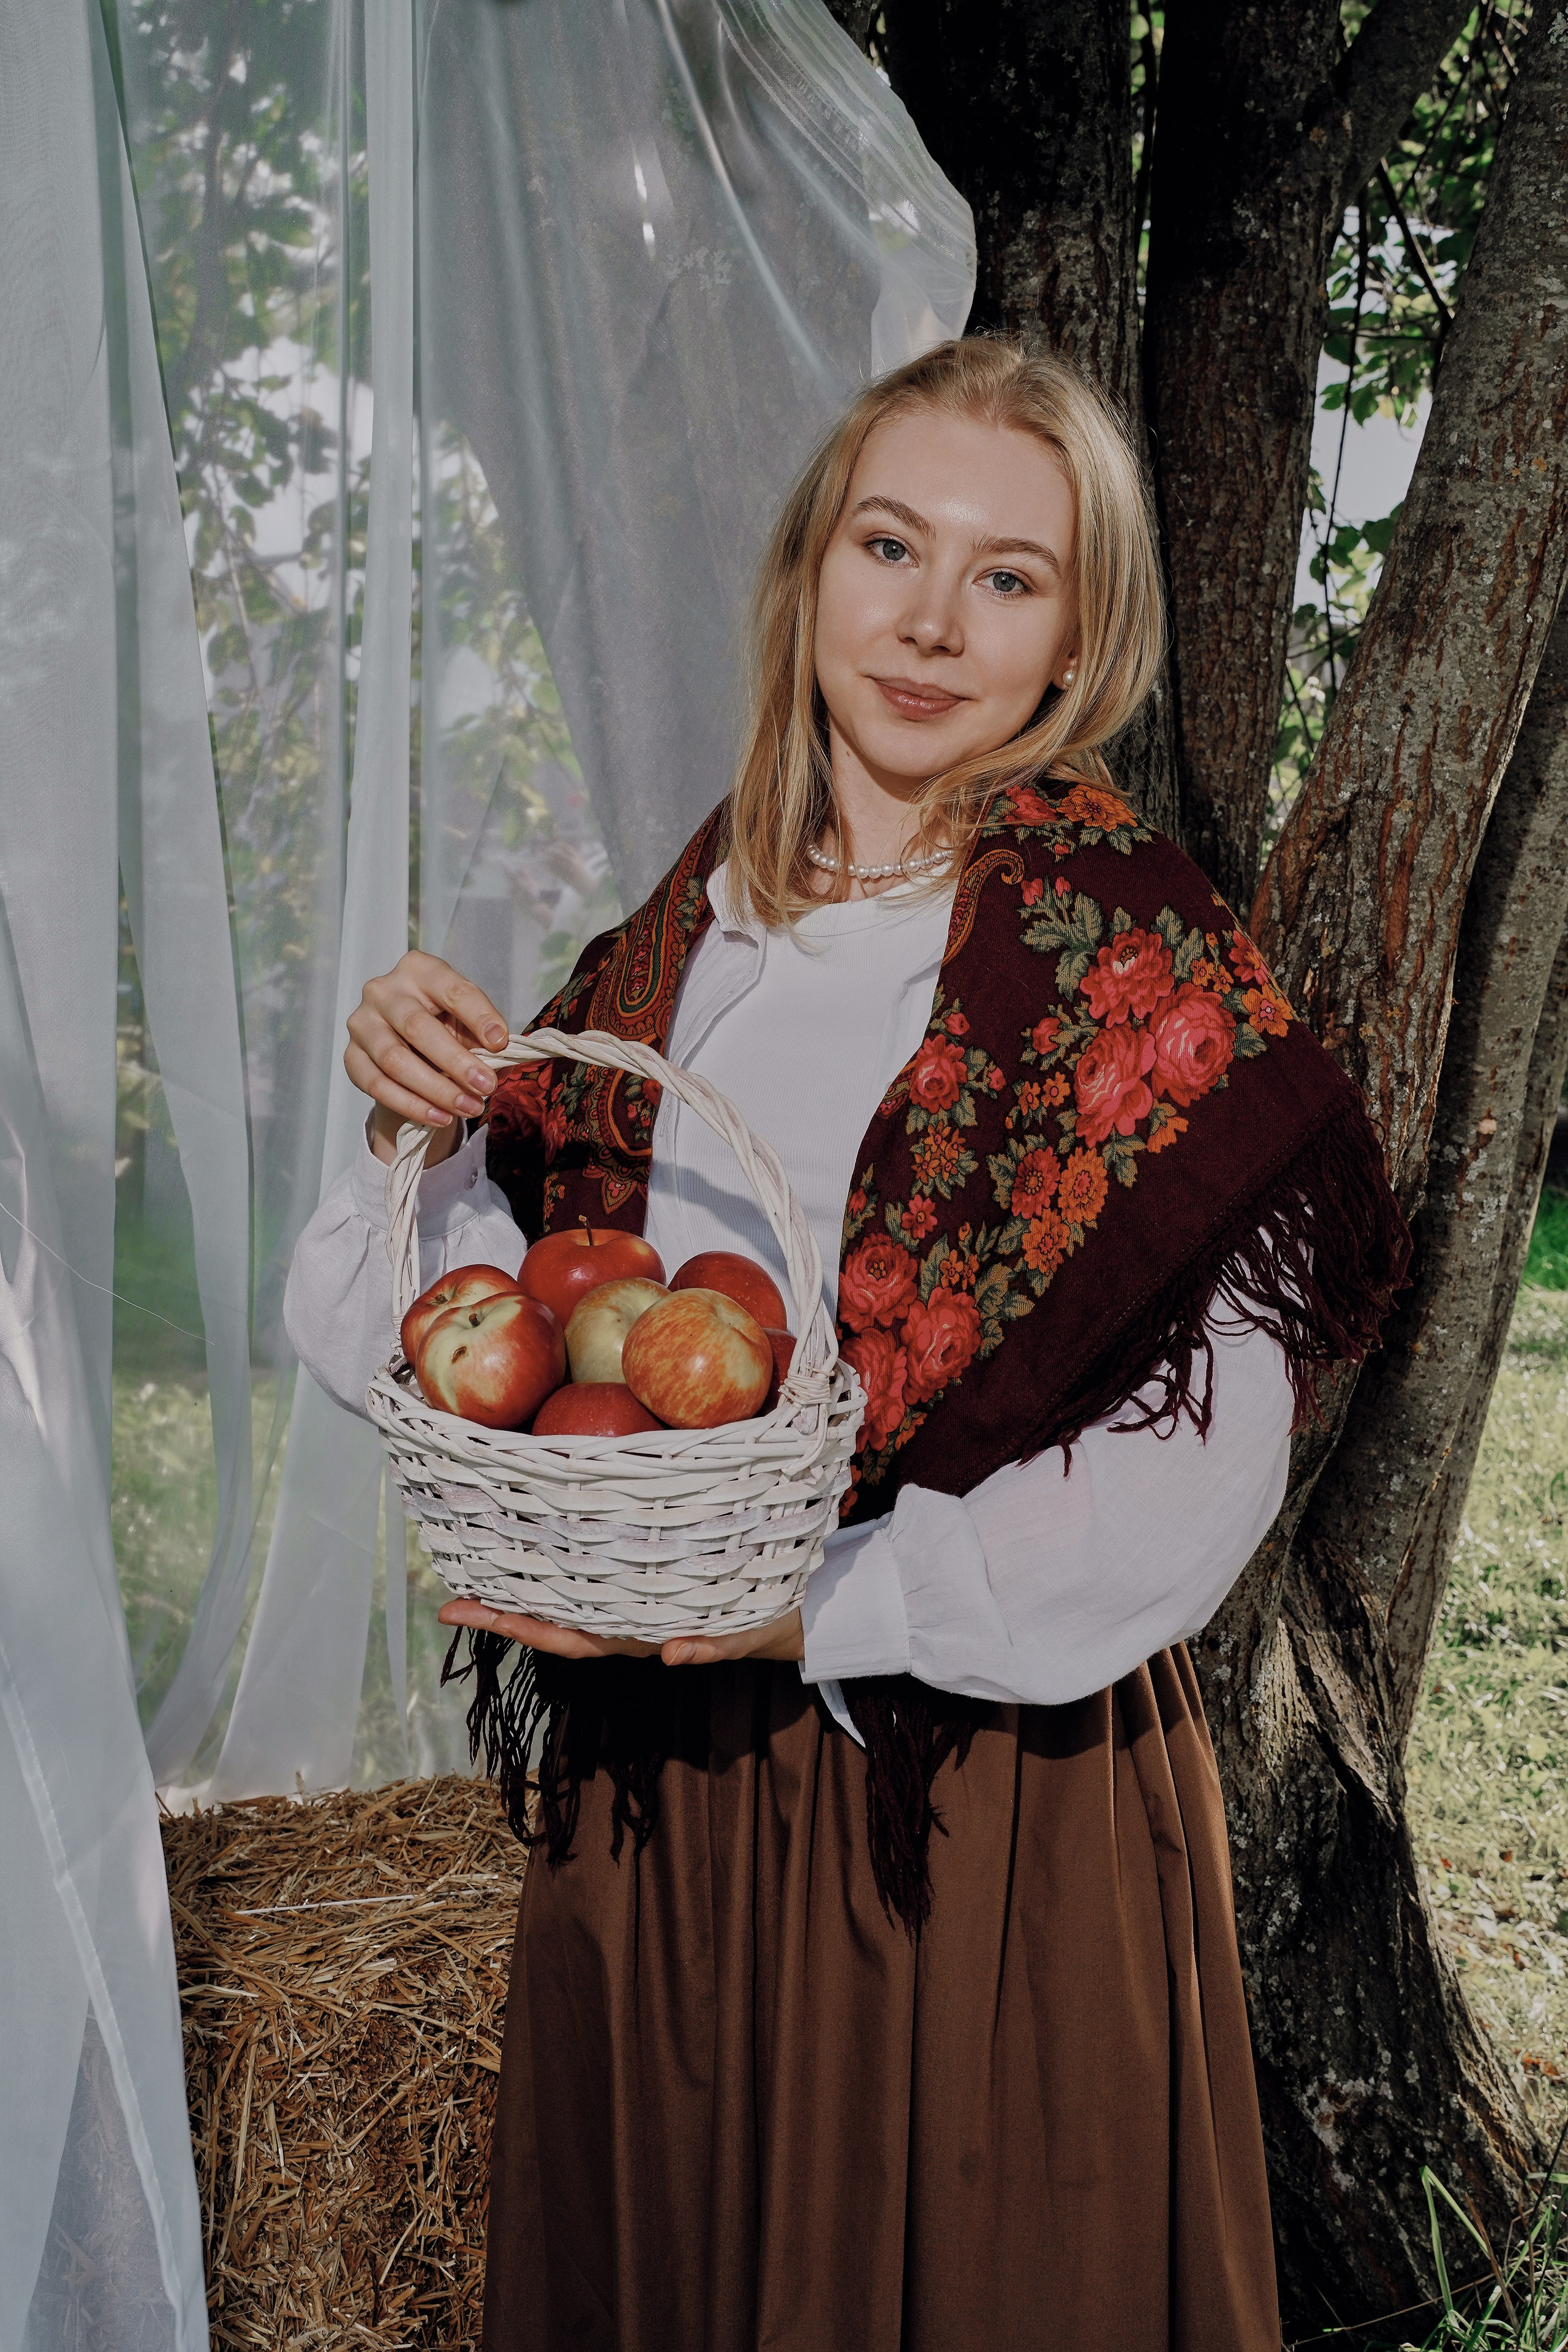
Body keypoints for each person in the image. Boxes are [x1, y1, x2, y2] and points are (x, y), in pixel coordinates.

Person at [287, 339, 1409, 2351]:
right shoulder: (674, 941)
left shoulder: (1120, 955)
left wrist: (837, 1611)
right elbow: (452, 1335)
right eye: (890, 544)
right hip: (662, 1791)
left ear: (1077, 644)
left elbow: (1212, 1449)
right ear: (809, 570)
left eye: (1008, 576)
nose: (929, 620)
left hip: (967, 1793)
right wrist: (412, 1127)